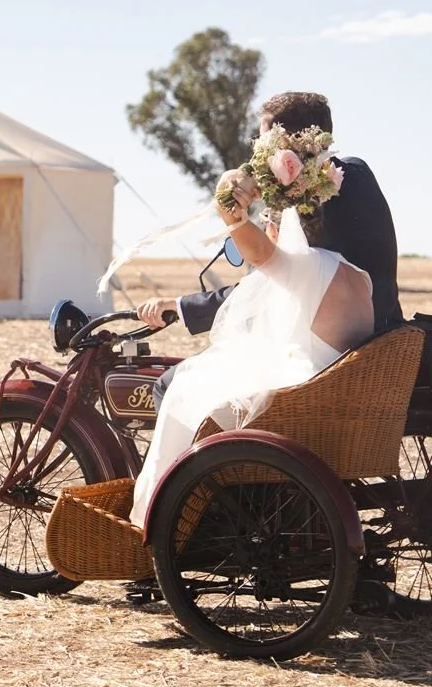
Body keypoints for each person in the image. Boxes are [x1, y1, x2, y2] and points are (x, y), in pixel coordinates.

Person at [129, 168, 377, 532]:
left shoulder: (305, 267)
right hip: (333, 391)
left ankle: (166, 518)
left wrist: (229, 212)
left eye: (267, 224)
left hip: (304, 397)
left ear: (280, 229)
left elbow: (260, 253)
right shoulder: (353, 271)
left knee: (184, 385)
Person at [154, 91, 403, 340]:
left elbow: (264, 286)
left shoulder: (304, 205)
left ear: (281, 144)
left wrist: (180, 306)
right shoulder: (356, 171)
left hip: (338, 358)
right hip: (390, 340)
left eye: (261, 141)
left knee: (171, 380)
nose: (255, 151)